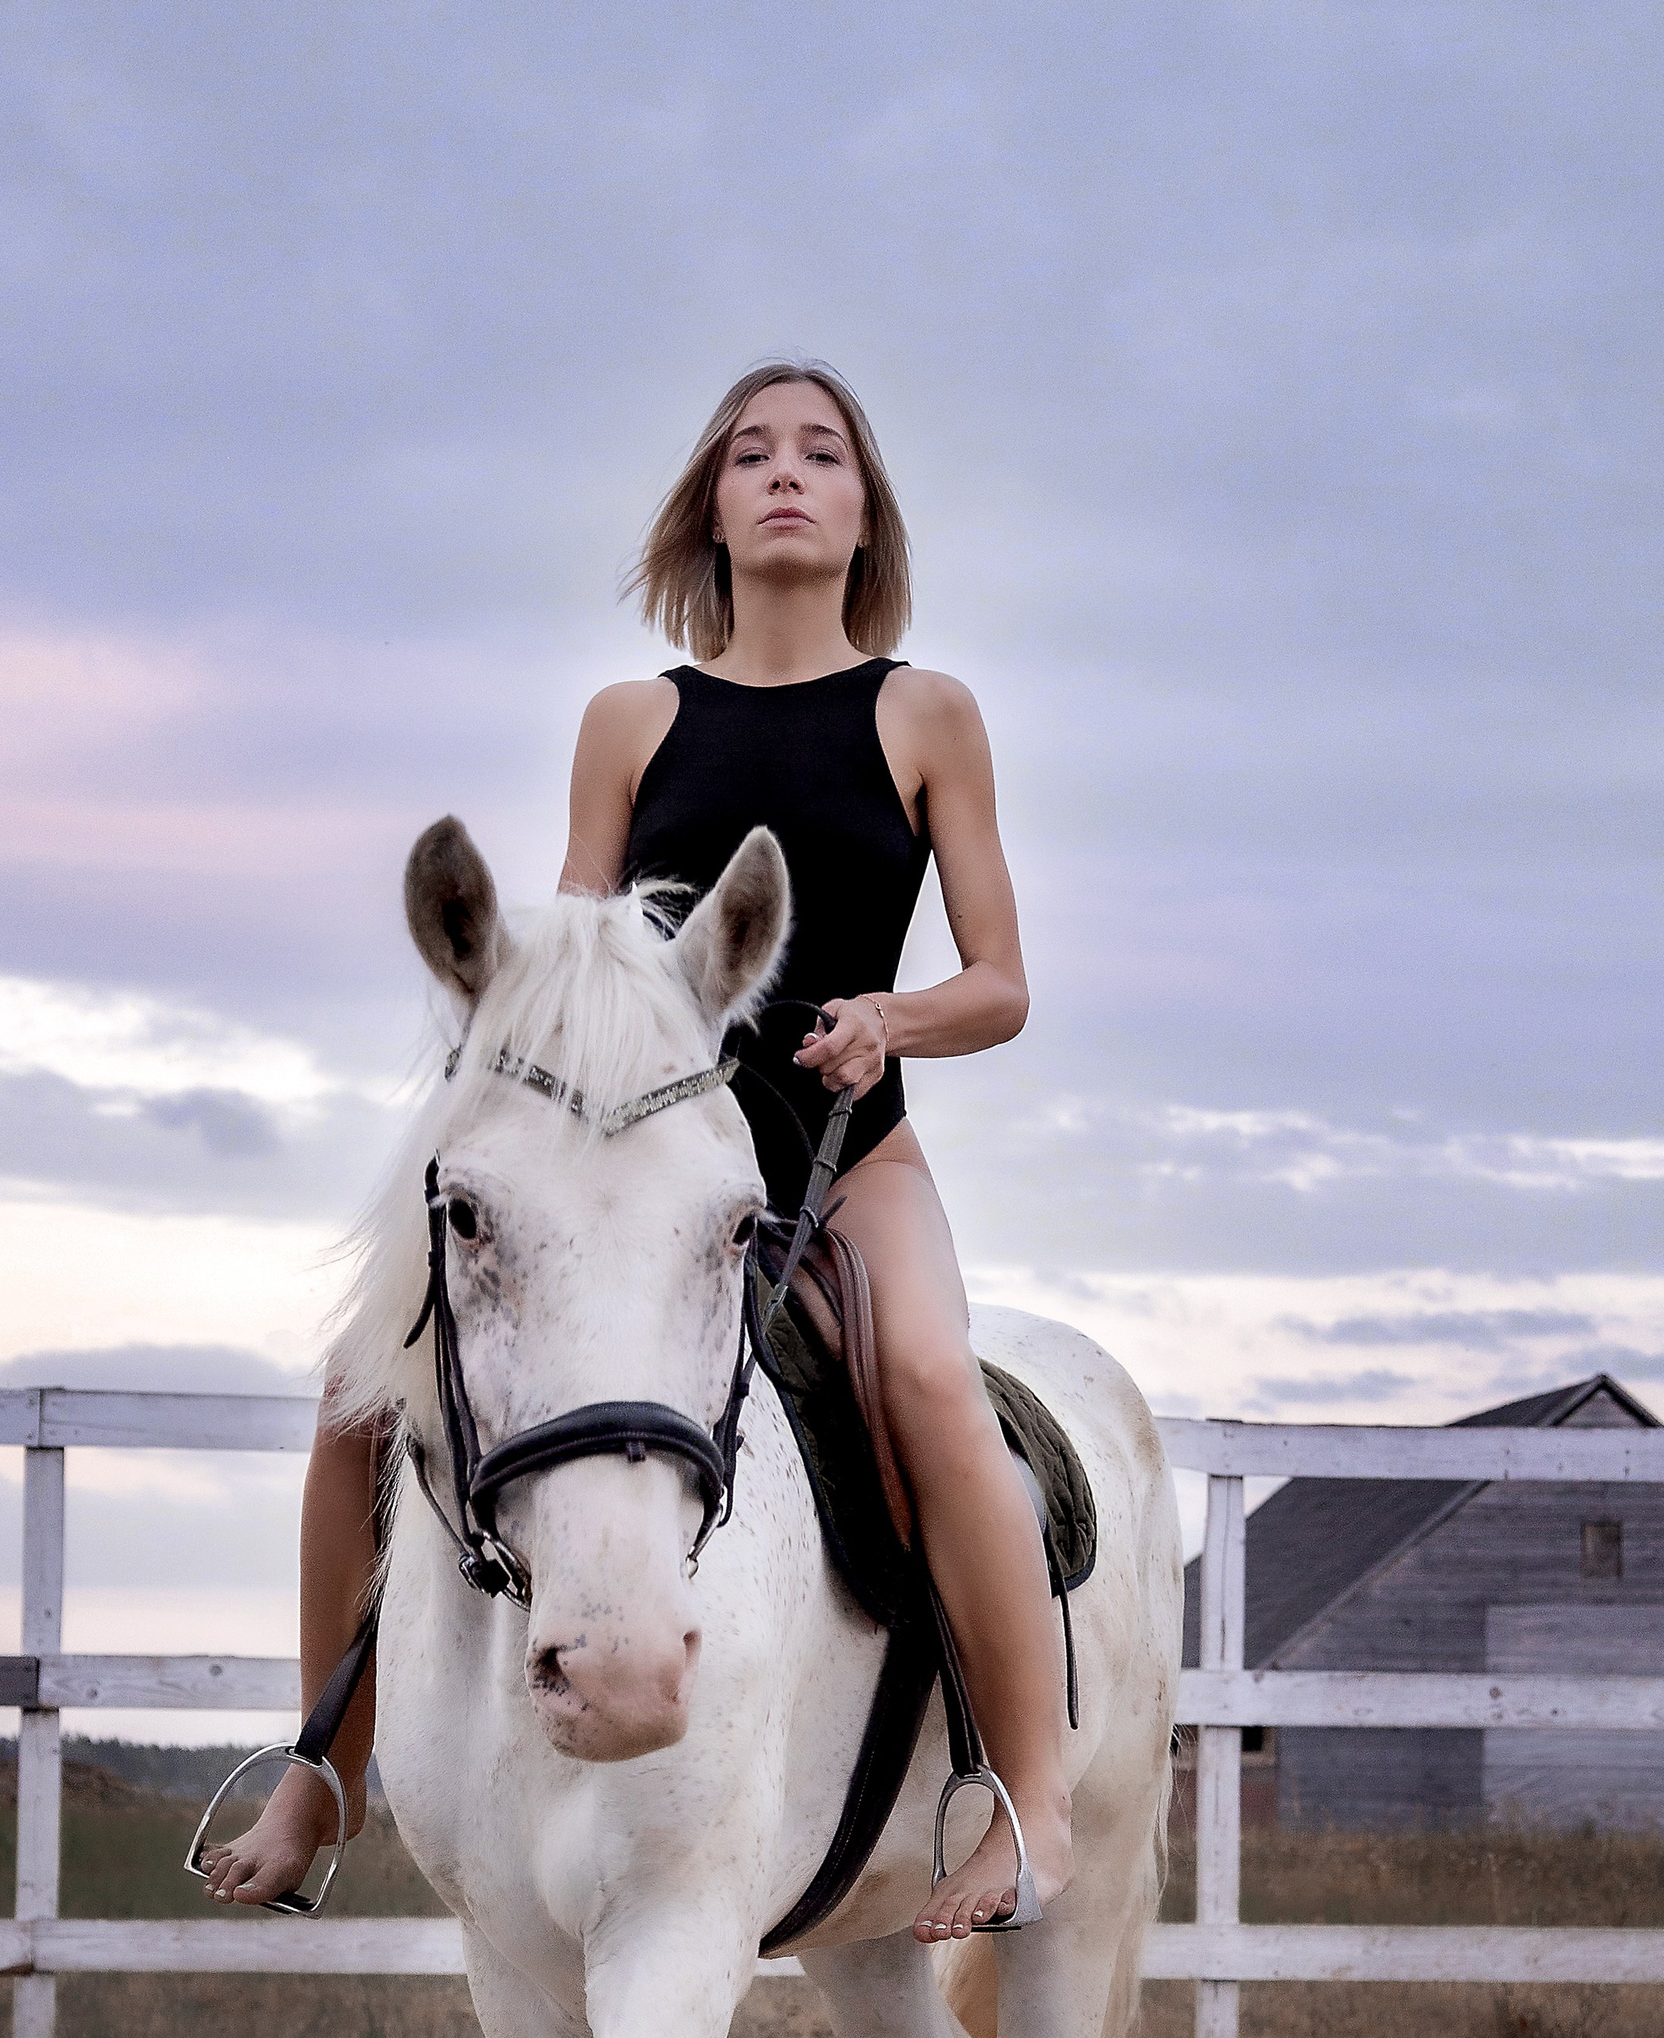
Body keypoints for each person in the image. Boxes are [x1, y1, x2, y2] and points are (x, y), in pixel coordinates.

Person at [203, 360, 1066, 1941]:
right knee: (352, 1394)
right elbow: (573, 947)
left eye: (823, 454)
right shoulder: (630, 719)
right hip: (635, 1168)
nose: (787, 474)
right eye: (752, 456)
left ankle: (1027, 1798)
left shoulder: (926, 714)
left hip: (845, 1154)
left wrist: (891, 1018)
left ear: (866, 509)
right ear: (712, 508)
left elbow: (1004, 981)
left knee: (938, 1386)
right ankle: (320, 1770)